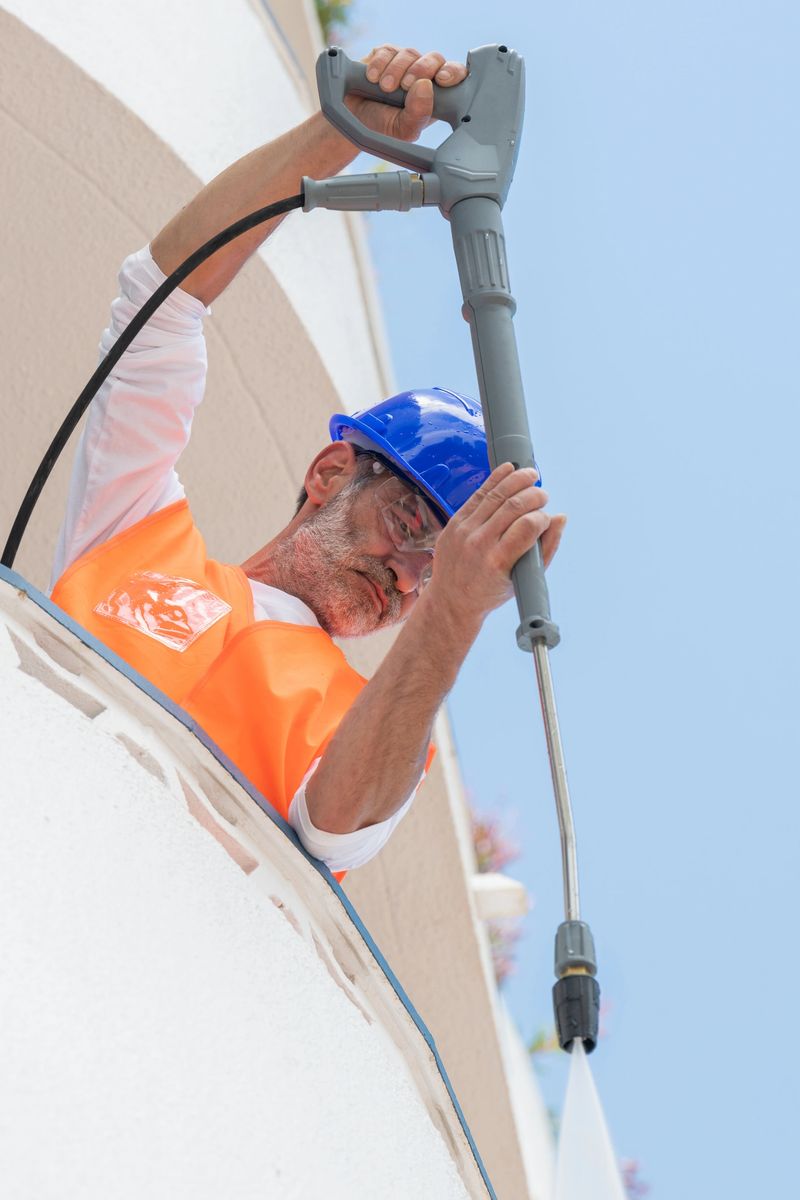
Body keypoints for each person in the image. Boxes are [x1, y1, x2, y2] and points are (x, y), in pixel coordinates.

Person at [50, 45, 565, 876]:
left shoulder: (372, 725)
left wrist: (457, 613)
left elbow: (333, 828)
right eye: (406, 526)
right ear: (331, 473)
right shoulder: (133, 535)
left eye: (433, 573)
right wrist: (341, 134)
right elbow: (160, 299)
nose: (406, 580)